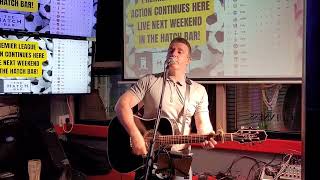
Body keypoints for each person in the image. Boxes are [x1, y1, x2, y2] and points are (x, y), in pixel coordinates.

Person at [115, 37, 217, 180]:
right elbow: (121, 105)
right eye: (171, 50)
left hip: (180, 160)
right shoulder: (149, 81)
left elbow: (203, 126)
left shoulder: (198, 91)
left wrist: (208, 138)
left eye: (180, 51)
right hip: (149, 159)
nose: (173, 53)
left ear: (188, 60)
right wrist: (135, 135)